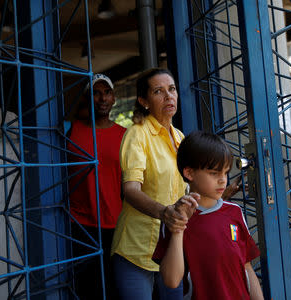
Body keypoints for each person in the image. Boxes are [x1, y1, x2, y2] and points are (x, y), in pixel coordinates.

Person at [110, 68, 240, 300]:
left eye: (171, 90)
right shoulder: (137, 134)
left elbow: (189, 191)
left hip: (173, 247)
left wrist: (219, 195)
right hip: (136, 249)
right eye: (158, 91)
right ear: (144, 101)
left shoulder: (181, 138)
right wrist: (165, 212)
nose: (168, 96)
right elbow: (130, 190)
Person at [153, 132, 264, 300]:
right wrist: (178, 228)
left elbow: (246, 268)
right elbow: (171, 281)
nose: (222, 180)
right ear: (189, 173)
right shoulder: (174, 218)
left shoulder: (234, 213)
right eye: (214, 173)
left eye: (225, 173)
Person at [67, 74, 126, 300]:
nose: (102, 98)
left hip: (117, 224)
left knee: (113, 287)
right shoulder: (70, 131)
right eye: (95, 92)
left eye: (107, 92)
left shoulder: (125, 136)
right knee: (85, 288)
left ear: (113, 98)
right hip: (79, 225)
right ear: (86, 98)